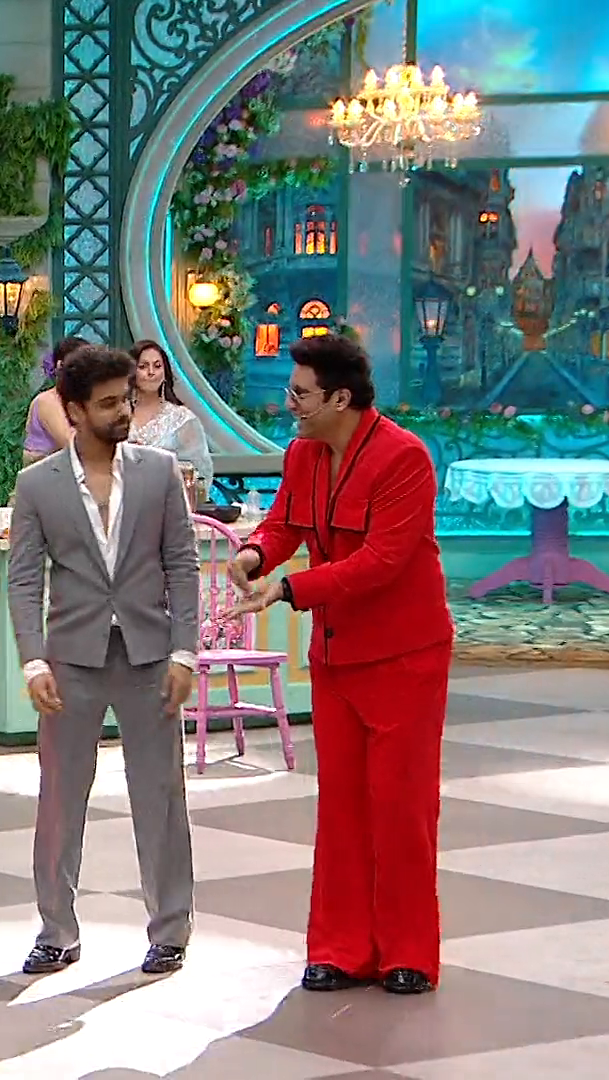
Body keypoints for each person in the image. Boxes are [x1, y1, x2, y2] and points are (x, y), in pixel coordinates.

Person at [228, 335, 453, 996]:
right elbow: (283, 524)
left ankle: (408, 952)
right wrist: (254, 555)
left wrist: (290, 589)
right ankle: (340, 948)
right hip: (335, 656)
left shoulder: (404, 458)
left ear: (340, 398)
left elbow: (383, 561)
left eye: (300, 393)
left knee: (401, 808)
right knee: (342, 807)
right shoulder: (303, 454)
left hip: (404, 658)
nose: (289, 403)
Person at [7, 344, 200, 978]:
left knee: (160, 795)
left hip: (150, 656)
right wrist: (33, 662)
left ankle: (170, 929)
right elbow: (24, 580)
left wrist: (184, 651)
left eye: (127, 400)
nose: (124, 412)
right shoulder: (38, 485)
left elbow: (183, 566)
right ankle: (56, 931)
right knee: (60, 799)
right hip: (71, 661)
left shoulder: (159, 472)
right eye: (109, 403)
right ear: (74, 410)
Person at [126, 339, 213, 497]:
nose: (151, 372)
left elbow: (200, 475)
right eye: (143, 366)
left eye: (157, 366)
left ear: (165, 373)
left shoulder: (182, 419)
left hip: (168, 502)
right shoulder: (119, 413)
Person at [23, 336, 89, 464]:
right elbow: (71, 443)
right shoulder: (47, 401)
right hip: (46, 472)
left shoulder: (82, 399)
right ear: (60, 366)